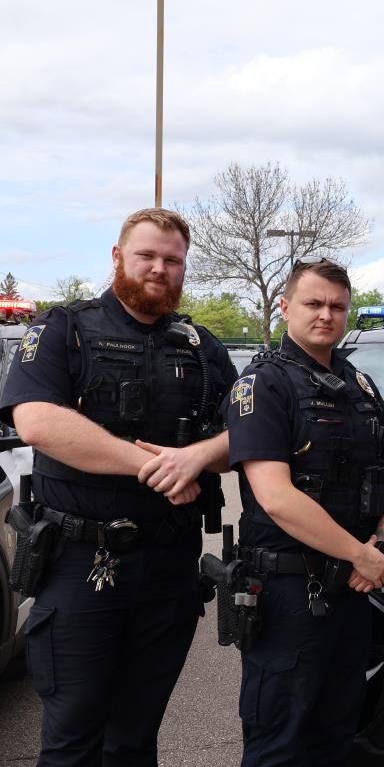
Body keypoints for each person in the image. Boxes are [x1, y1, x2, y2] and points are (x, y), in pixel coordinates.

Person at [0, 208, 235, 766]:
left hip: (168, 565)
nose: (160, 268)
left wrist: (197, 457)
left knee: (135, 736)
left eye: (172, 260)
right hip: (83, 561)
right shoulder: (64, 328)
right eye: (147, 256)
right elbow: (37, 420)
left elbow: (253, 430)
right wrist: (153, 466)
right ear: (117, 257)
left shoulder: (203, 347)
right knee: (72, 737)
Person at [225, 257, 384, 766]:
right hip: (288, 594)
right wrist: (362, 553)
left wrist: (383, 545)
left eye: (337, 306)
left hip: (352, 590)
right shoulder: (263, 385)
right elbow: (277, 497)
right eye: (313, 303)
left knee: (338, 733)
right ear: (285, 307)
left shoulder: (362, 387)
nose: (326, 314)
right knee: (279, 742)